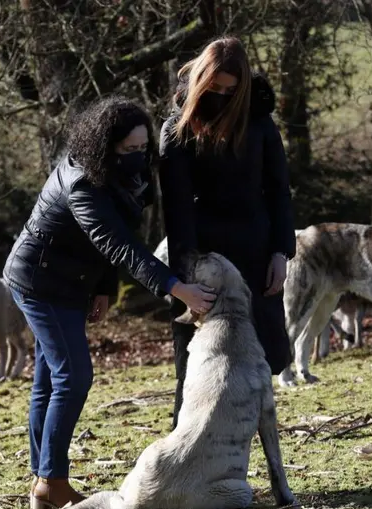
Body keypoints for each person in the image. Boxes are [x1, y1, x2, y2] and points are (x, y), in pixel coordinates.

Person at [3, 95, 217, 509]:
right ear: (106, 147)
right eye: (129, 150)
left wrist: (101, 287)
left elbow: (106, 239)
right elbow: (119, 244)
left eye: (143, 149)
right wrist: (178, 289)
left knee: (50, 380)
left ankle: (43, 481)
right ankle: (50, 481)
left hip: (69, 280)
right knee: (73, 377)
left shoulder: (120, 176)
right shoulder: (83, 181)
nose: (138, 157)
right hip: (39, 282)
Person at [159, 36, 296, 430]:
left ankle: (245, 450)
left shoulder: (259, 125)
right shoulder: (178, 130)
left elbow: (278, 191)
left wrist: (280, 253)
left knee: (261, 357)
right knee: (194, 364)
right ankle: (183, 447)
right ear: (200, 81)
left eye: (229, 91)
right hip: (201, 261)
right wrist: (185, 277)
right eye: (213, 88)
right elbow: (177, 210)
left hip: (256, 251)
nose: (220, 97)